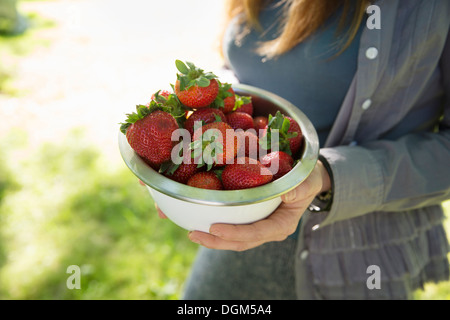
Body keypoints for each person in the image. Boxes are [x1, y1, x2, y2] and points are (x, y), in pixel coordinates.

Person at [158, 0, 450, 299]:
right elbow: (245, 68)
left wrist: (325, 175)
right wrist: (198, 123)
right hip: (238, 212)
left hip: (354, 247)